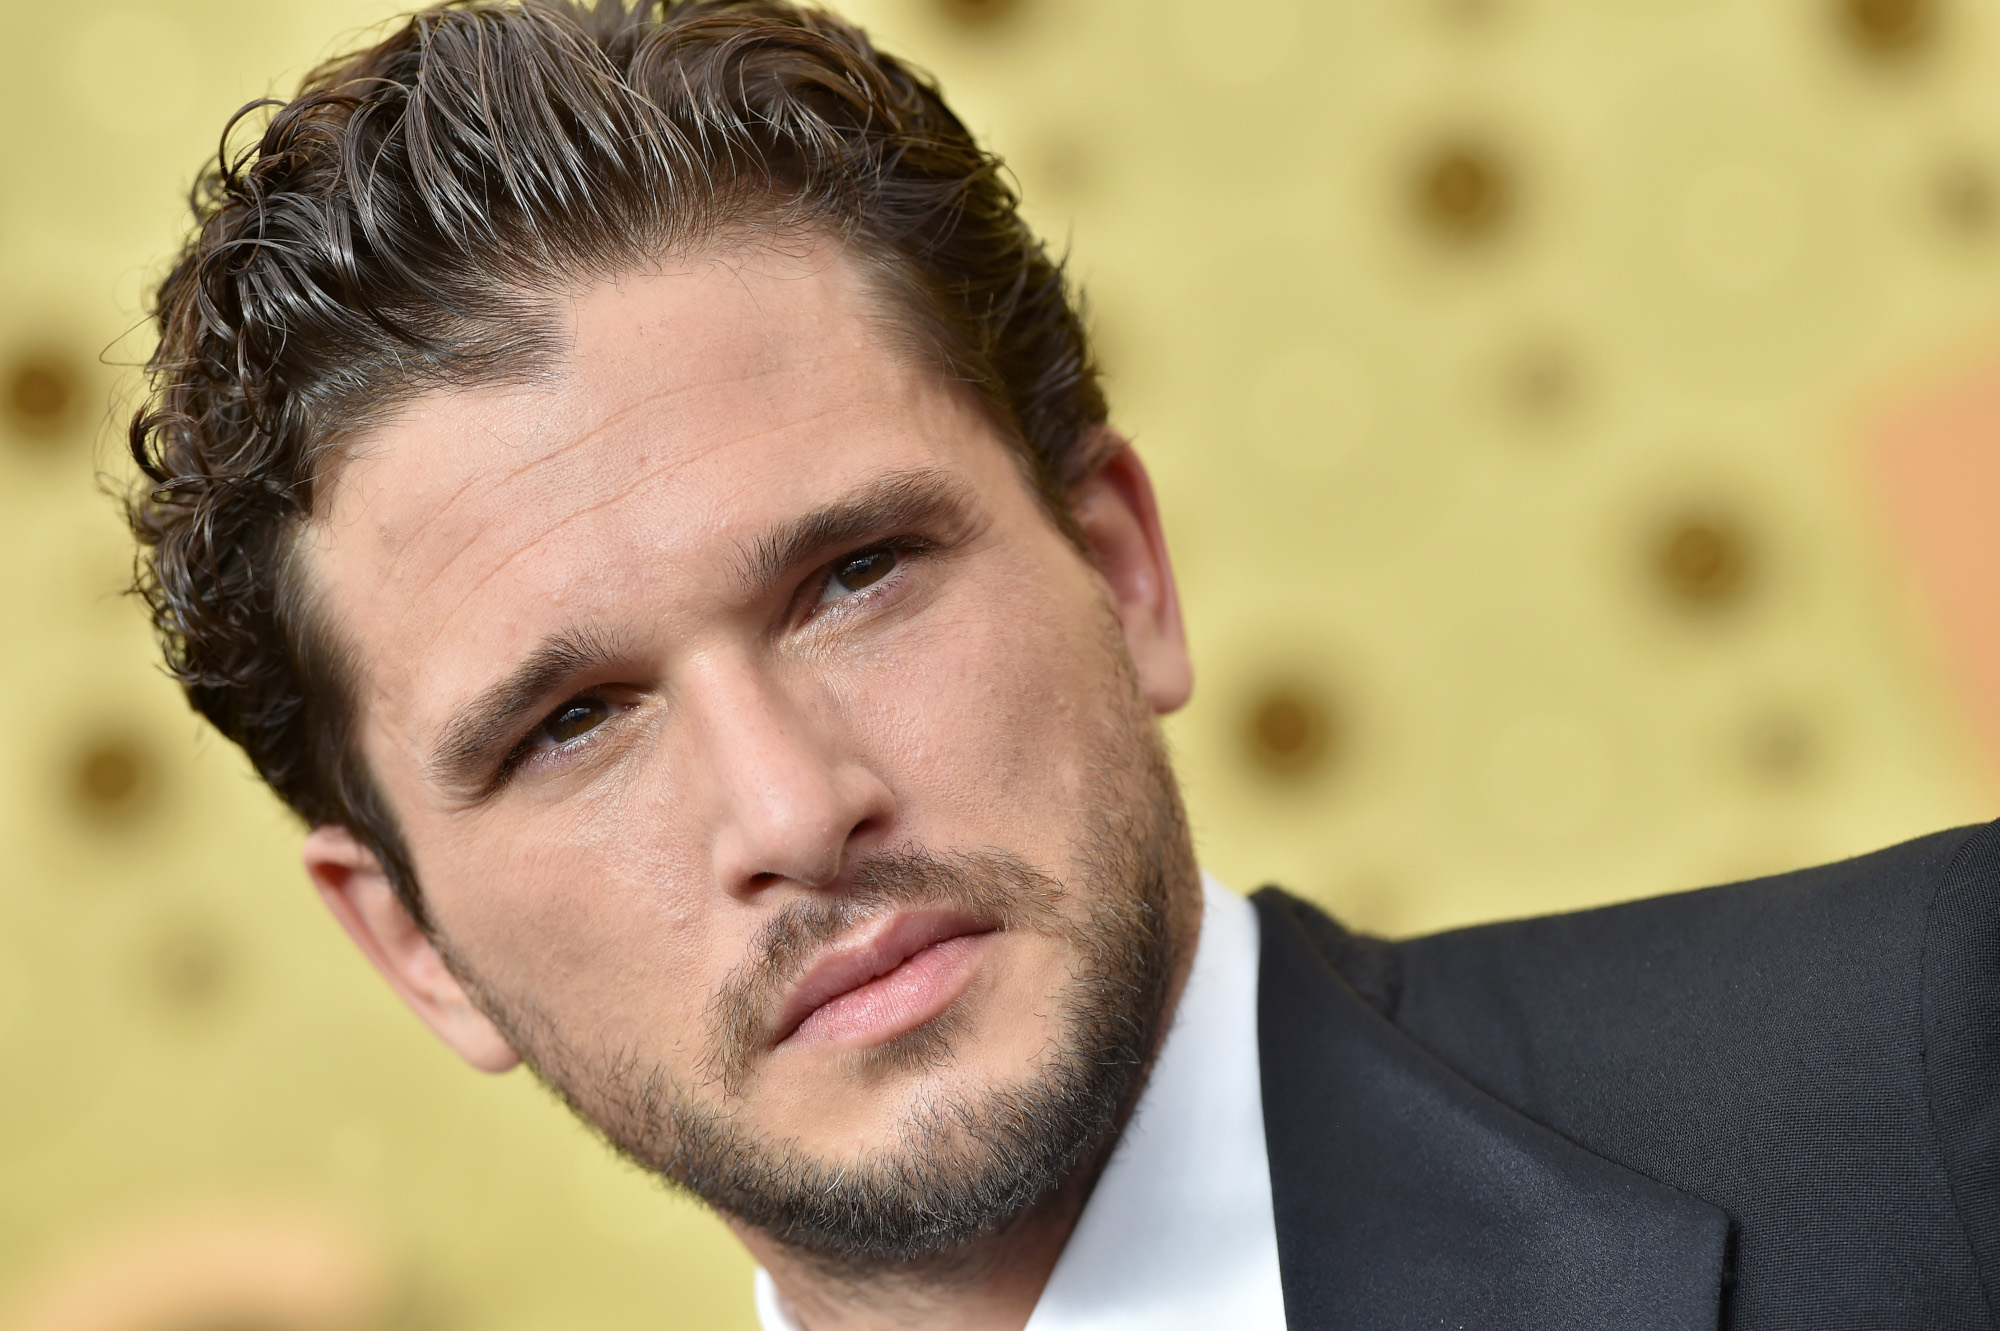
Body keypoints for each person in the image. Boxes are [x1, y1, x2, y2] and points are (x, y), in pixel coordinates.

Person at [123, 2, 2000, 1328]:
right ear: (414, 948)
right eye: (575, 723)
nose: (792, 807)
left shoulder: (1939, 1078)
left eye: (857, 577)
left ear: (1122, 566)